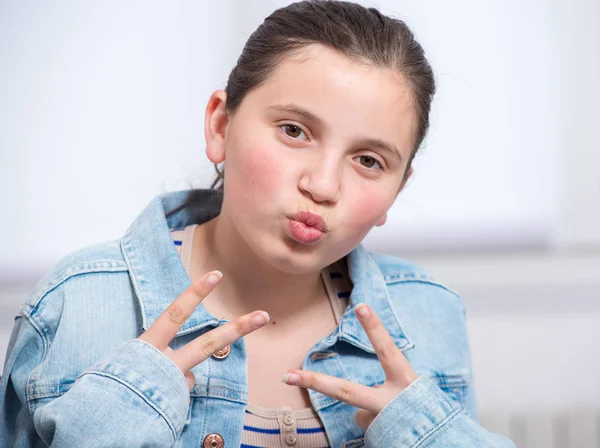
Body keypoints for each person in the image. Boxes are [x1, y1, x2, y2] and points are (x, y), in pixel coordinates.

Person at [0, 1, 516, 447]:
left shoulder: (430, 315)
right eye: (294, 131)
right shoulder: (78, 304)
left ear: (395, 192)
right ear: (221, 125)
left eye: (368, 161)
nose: (323, 185)